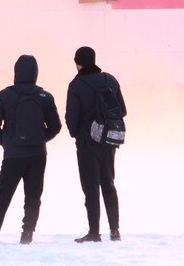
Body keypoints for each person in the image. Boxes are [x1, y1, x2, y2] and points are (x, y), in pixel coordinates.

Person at [0, 55, 61, 246]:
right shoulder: (45, 97)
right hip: (38, 155)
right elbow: (56, 126)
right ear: (35, 72)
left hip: (13, 155)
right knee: (33, 196)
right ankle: (27, 235)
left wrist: (6, 142)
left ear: (16, 72)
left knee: (3, 194)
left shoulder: (5, 95)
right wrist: (41, 139)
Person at [65, 46, 126, 243]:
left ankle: (94, 232)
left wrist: (77, 134)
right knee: (108, 184)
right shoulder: (110, 79)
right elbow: (122, 110)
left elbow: (71, 117)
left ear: (78, 63)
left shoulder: (76, 85)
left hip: (87, 142)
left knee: (90, 187)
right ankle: (115, 230)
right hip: (109, 141)